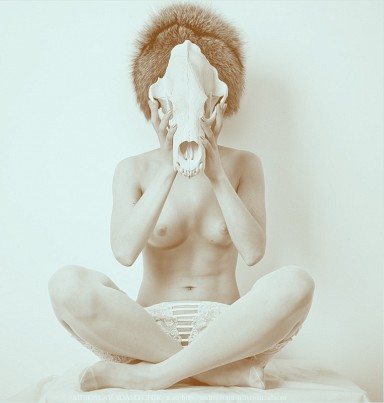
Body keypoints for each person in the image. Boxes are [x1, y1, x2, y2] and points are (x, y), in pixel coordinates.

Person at [48, 3, 315, 392]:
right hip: (145, 330)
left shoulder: (244, 165)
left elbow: (254, 251)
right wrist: (168, 165)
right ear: (158, 101)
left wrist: (217, 175)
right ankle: (212, 371)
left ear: (217, 99)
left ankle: (156, 374)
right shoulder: (134, 169)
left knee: (297, 282)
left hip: (227, 330)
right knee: (65, 285)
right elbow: (124, 251)